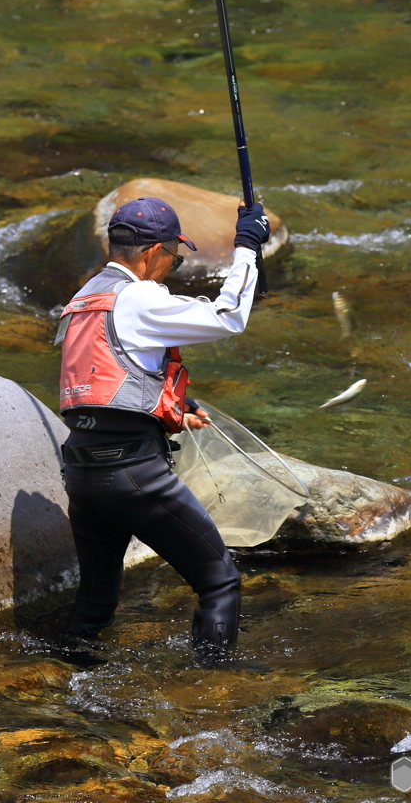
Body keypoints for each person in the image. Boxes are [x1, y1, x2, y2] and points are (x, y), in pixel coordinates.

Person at [56, 194, 270, 653]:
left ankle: (60, 681)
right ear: (154, 252)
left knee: (96, 602)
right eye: (173, 255)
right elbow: (229, 317)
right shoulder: (139, 297)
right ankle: (211, 691)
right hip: (134, 474)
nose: (171, 266)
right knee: (219, 581)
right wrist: (247, 248)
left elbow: (107, 373)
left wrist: (174, 403)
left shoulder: (84, 297)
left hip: (81, 472)